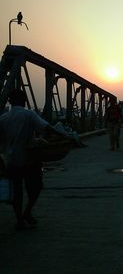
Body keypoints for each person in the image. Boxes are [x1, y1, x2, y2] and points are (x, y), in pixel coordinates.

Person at [0, 89, 76, 230]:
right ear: (24, 101)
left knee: (16, 191)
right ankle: (27, 211)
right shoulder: (29, 114)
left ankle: (19, 220)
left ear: (10, 101)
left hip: (10, 160)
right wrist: (65, 136)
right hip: (29, 159)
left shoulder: (3, 118)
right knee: (36, 187)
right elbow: (47, 128)